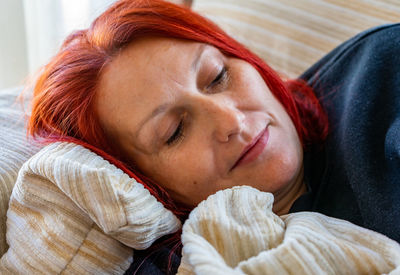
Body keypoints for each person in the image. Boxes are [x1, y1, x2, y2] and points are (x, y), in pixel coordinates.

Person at [26, 0, 399, 273]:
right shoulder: (178, 261)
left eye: (218, 75)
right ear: (140, 184)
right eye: (174, 132)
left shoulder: (383, 76)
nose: (231, 121)